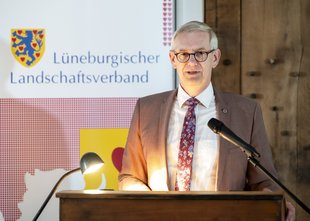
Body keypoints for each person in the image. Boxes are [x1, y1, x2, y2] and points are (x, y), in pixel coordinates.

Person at [118, 21, 295, 220]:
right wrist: (155, 205)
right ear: (172, 59)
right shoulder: (146, 110)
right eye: (183, 54)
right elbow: (129, 177)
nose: (191, 62)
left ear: (215, 58)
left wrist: (276, 204)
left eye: (200, 53)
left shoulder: (246, 112)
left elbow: (263, 182)